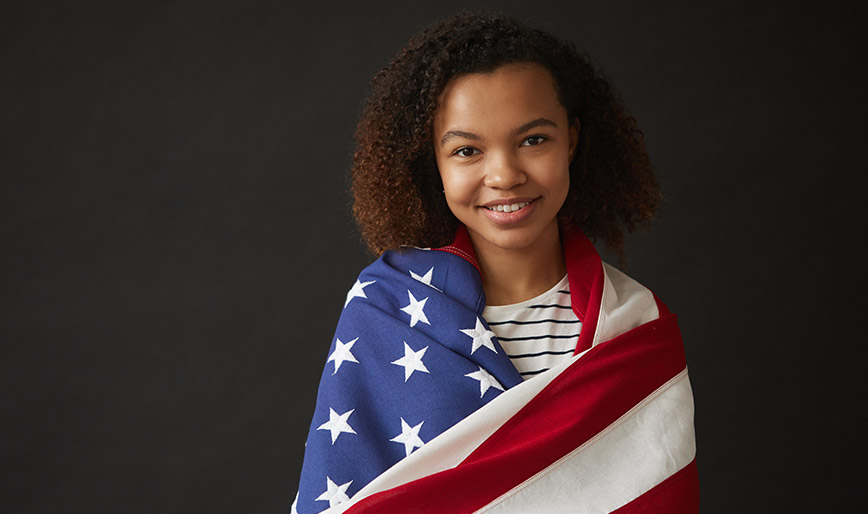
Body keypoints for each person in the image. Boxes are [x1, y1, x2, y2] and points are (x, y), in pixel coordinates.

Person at [293, 11, 698, 514]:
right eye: (466, 150)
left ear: (571, 139)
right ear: (433, 163)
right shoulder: (385, 311)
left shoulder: (636, 327)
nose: (504, 175)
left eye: (533, 140)